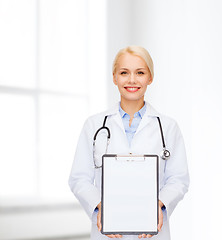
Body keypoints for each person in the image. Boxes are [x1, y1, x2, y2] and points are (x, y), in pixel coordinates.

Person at [68, 46, 189, 239]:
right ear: (114, 77)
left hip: (151, 231)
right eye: (124, 72)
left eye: (140, 72)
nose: (132, 80)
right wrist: (101, 206)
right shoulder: (94, 125)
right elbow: (79, 178)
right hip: (107, 231)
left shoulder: (167, 127)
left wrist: (158, 205)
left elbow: (178, 180)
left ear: (150, 77)